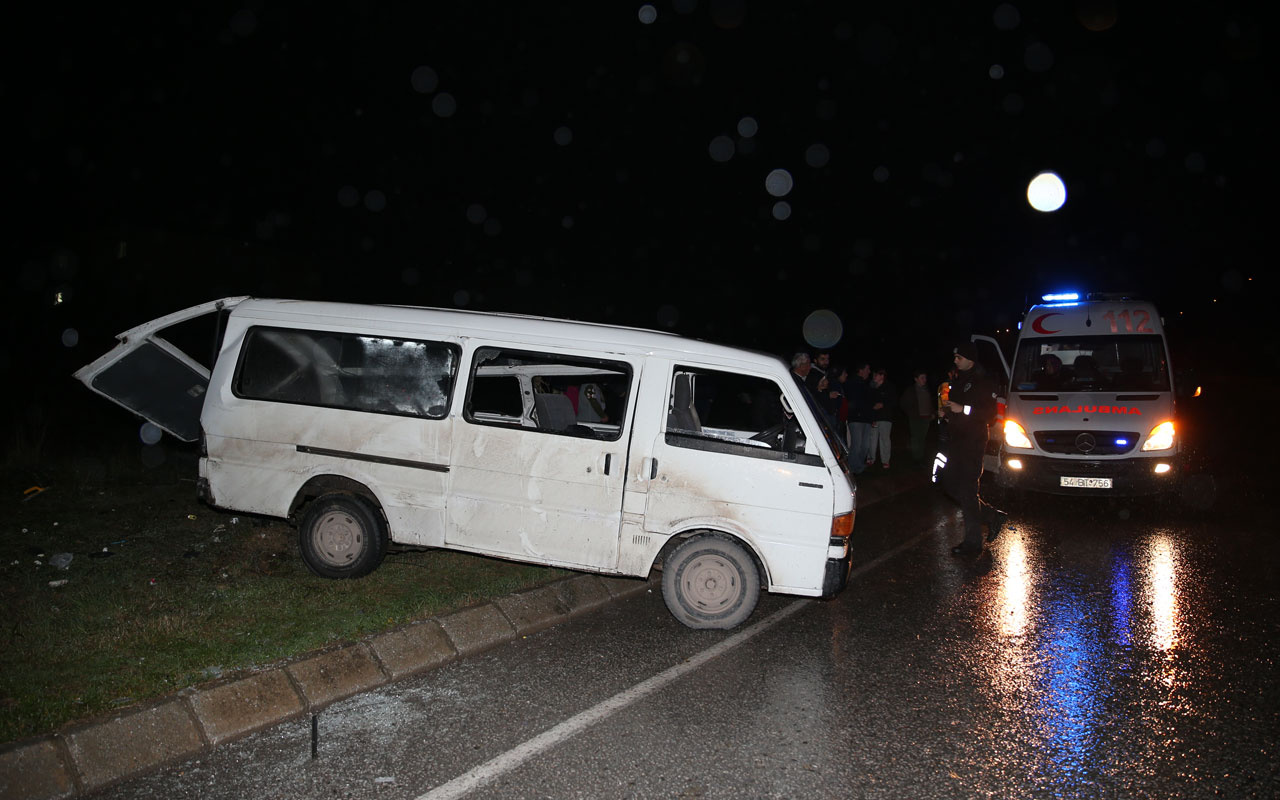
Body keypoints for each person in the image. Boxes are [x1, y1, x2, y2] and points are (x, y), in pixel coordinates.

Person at [938, 342, 1007, 555]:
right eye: (955, 357)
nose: (955, 361)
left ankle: (972, 543)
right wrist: (947, 414)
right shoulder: (959, 380)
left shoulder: (984, 381)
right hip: (957, 440)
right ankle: (991, 516)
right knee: (948, 483)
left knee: (968, 489)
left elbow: (988, 415)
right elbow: (956, 408)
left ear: (970, 359)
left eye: (959, 357)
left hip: (973, 441)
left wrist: (963, 409)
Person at [899, 368, 935, 464]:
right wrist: (911, 413)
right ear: (916, 379)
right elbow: (903, 403)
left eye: (925, 378)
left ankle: (921, 457)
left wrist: (932, 413)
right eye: (922, 378)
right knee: (915, 438)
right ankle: (916, 458)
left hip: (926, 418)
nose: (924, 380)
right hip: (915, 418)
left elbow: (930, 403)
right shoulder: (911, 390)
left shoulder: (926, 389)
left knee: (922, 438)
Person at [845, 361, 873, 473]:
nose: (869, 372)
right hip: (856, 419)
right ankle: (852, 468)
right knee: (857, 444)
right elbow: (853, 401)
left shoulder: (867, 384)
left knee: (865, 446)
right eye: (867, 369)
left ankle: (859, 467)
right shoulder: (852, 382)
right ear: (861, 370)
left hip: (866, 419)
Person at [866, 367, 895, 469]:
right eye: (874, 375)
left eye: (876, 375)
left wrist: (883, 404)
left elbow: (892, 401)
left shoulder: (889, 387)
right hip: (874, 418)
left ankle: (885, 461)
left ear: (882, 376)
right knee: (872, 438)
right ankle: (871, 458)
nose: (874, 377)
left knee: (884, 439)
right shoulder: (872, 388)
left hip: (885, 417)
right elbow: (869, 402)